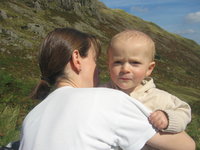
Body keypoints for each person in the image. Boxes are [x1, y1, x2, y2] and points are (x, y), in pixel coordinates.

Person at [19, 27, 195, 150]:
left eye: (134, 63)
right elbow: (188, 146)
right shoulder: (107, 98)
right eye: (96, 60)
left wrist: (169, 117)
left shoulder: (32, 116)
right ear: (77, 59)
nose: (99, 69)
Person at [102, 29, 192, 149]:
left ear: (149, 68)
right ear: (109, 64)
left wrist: (168, 117)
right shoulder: (101, 92)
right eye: (117, 62)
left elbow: (184, 110)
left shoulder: (159, 98)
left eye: (134, 63)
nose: (125, 69)